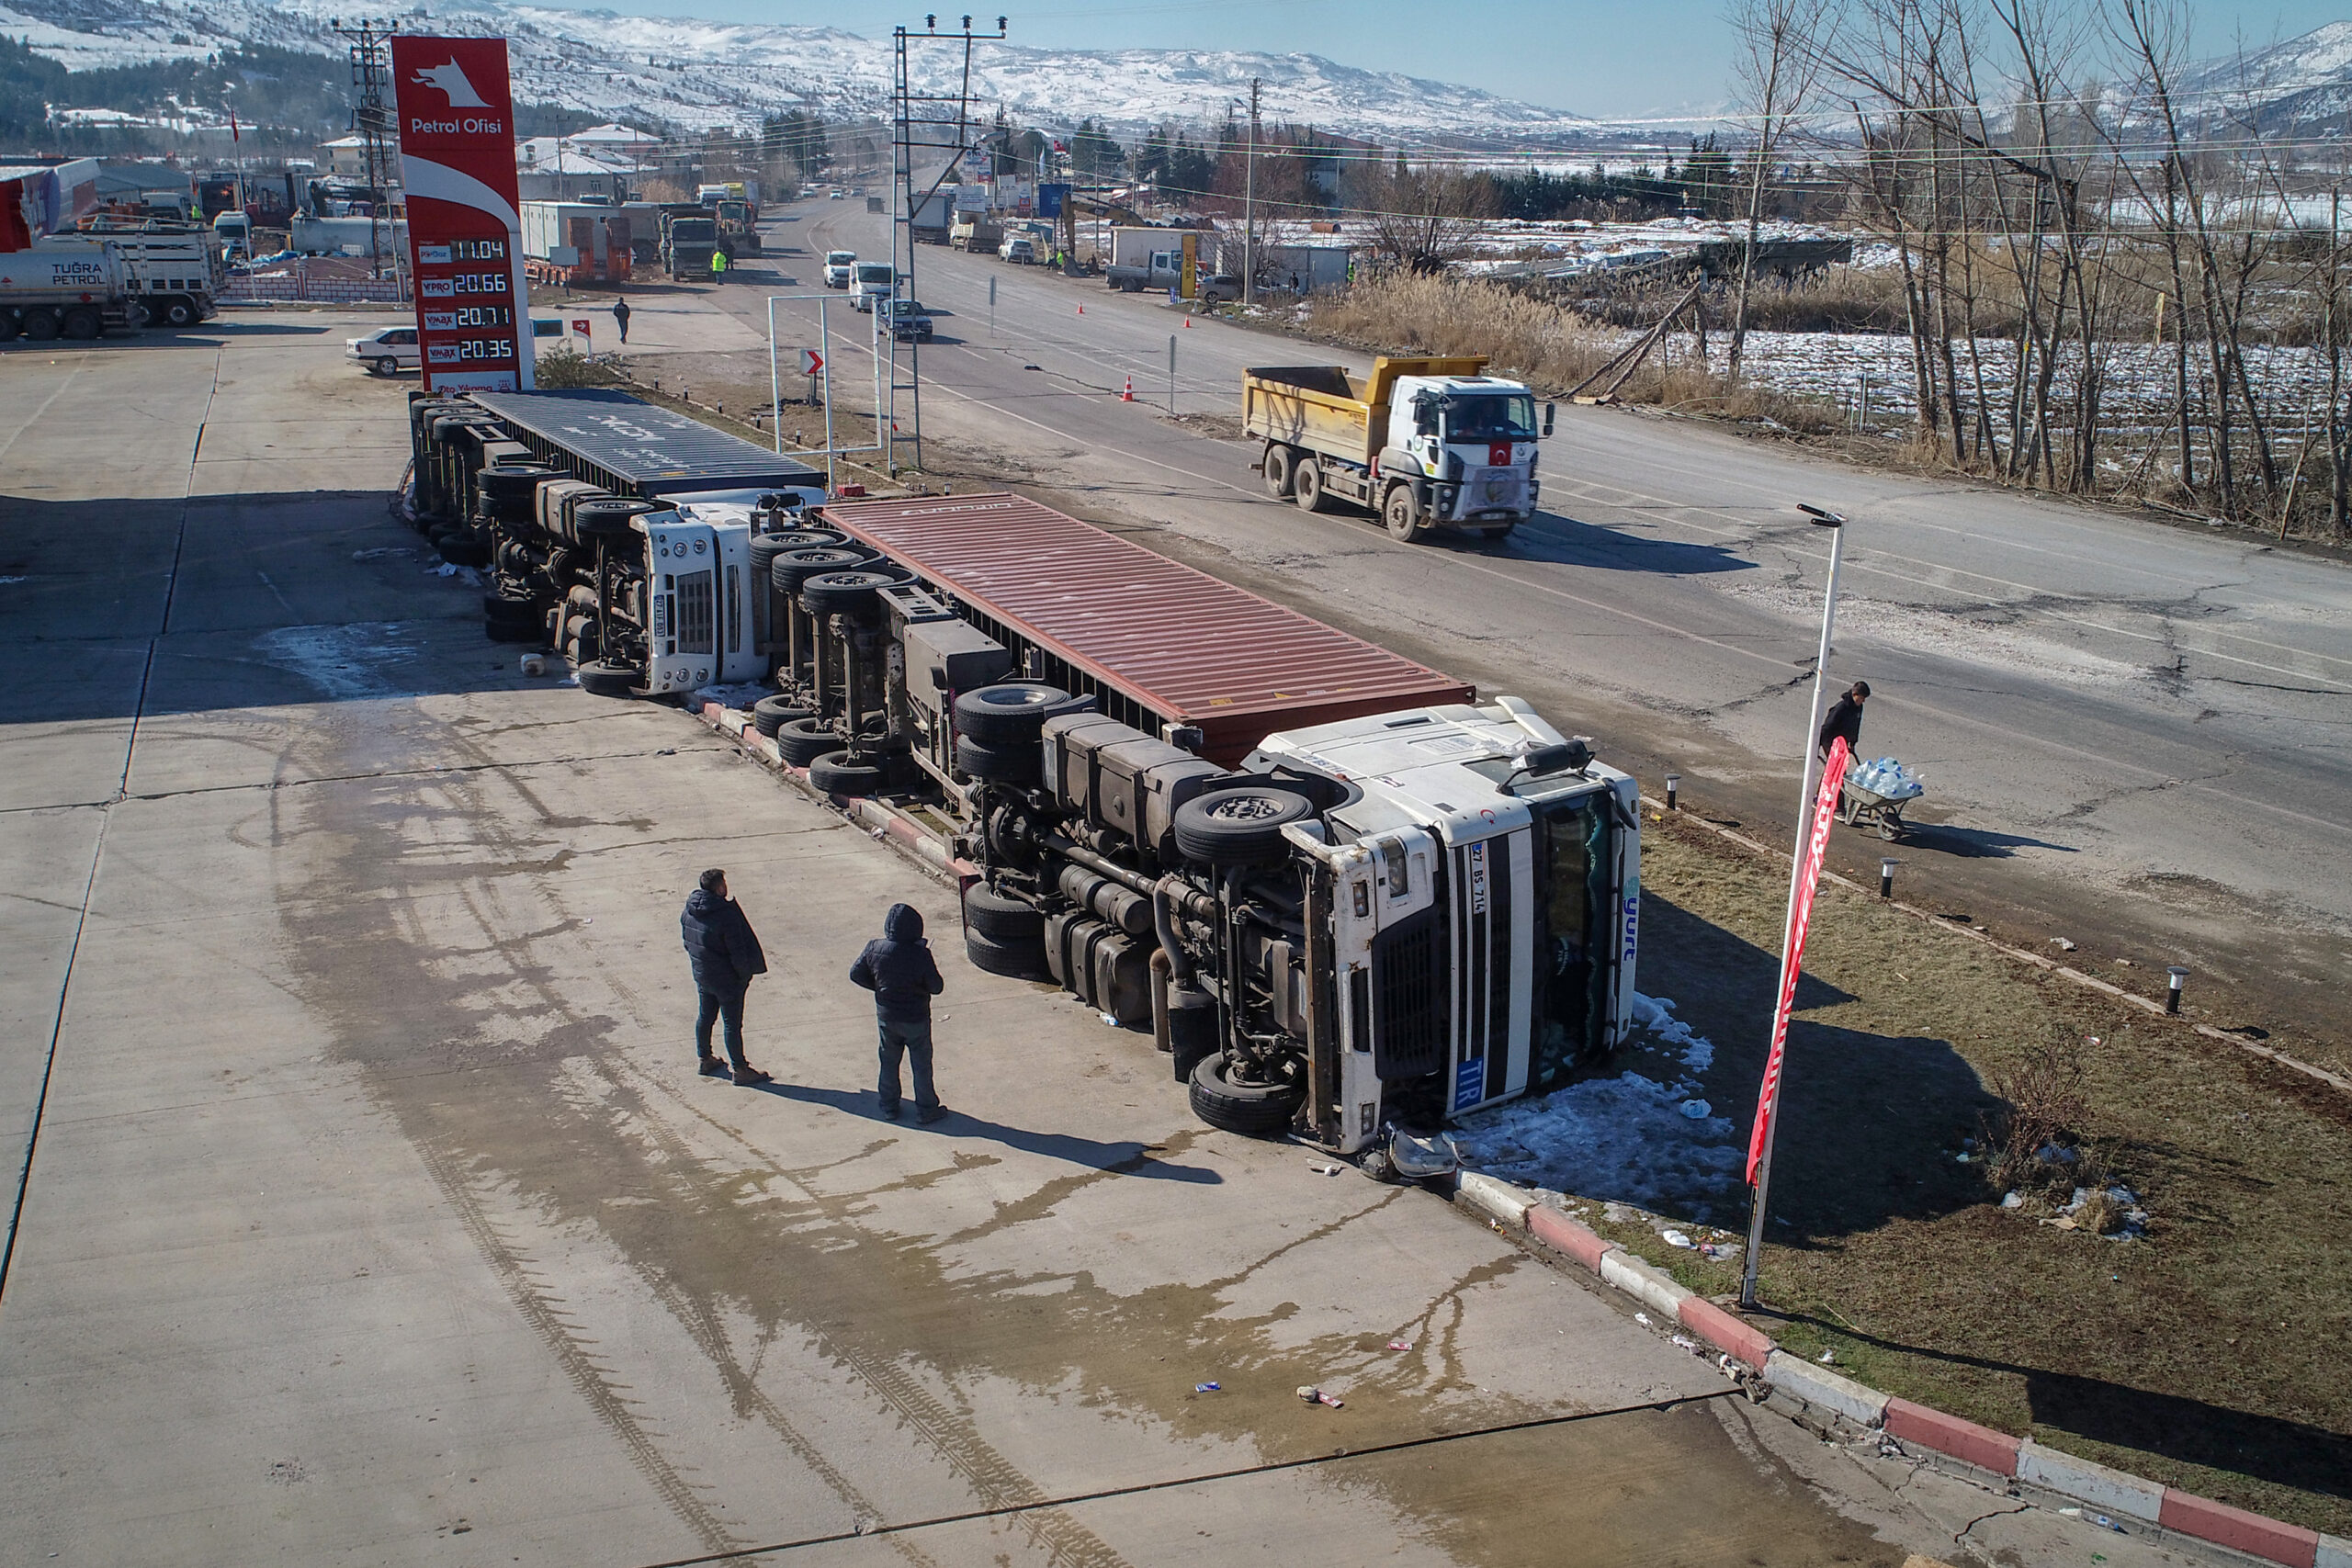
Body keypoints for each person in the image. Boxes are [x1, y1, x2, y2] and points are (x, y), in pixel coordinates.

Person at [849, 903, 946, 1122]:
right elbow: (937, 986)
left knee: (889, 1062)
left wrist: (880, 988)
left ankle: (889, 1107)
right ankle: (927, 1109)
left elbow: (855, 974)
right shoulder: (921, 954)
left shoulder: (874, 947)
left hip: (887, 1017)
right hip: (916, 1019)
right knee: (921, 1066)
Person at [679, 869, 772, 1086]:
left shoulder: (688, 911)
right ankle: (740, 1069)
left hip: (703, 975)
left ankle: (705, 1058)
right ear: (720, 887)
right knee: (731, 1024)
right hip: (727, 980)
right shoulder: (726, 915)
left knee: (705, 1016)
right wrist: (744, 976)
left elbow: (686, 941)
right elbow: (737, 951)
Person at [1817, 681, 1871, 761]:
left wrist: (1853, 742)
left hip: (1842, 741)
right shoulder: (1841, 708)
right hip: (1831, 740)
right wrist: (1818, 742)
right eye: (1862, 698)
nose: (1863, 701)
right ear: (1854, 695)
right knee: (1836, 766)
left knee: (1840, 768)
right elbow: (1828, 725)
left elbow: (1856, 725)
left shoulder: (1859, 708)